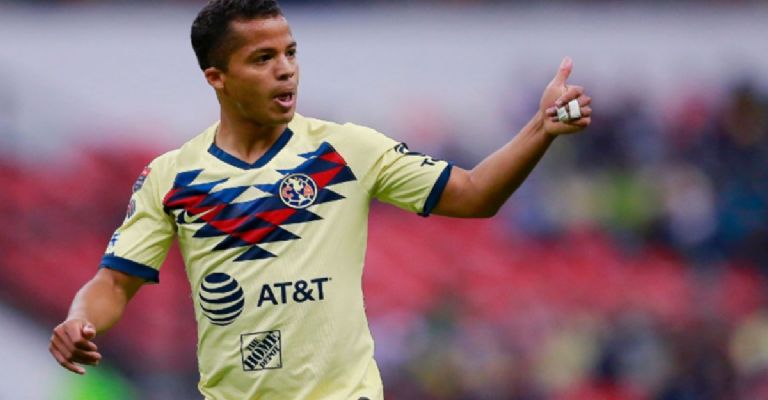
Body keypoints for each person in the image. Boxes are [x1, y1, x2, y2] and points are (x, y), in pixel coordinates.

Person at [48, 0, 592, 399]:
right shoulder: (172, 176)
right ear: (218, 77)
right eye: (263, 58)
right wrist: (79, 320)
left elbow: (473, 195)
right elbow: (114, 283)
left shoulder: (346, 149)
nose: (285, 68)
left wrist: (540, 129)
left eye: (290, 53)